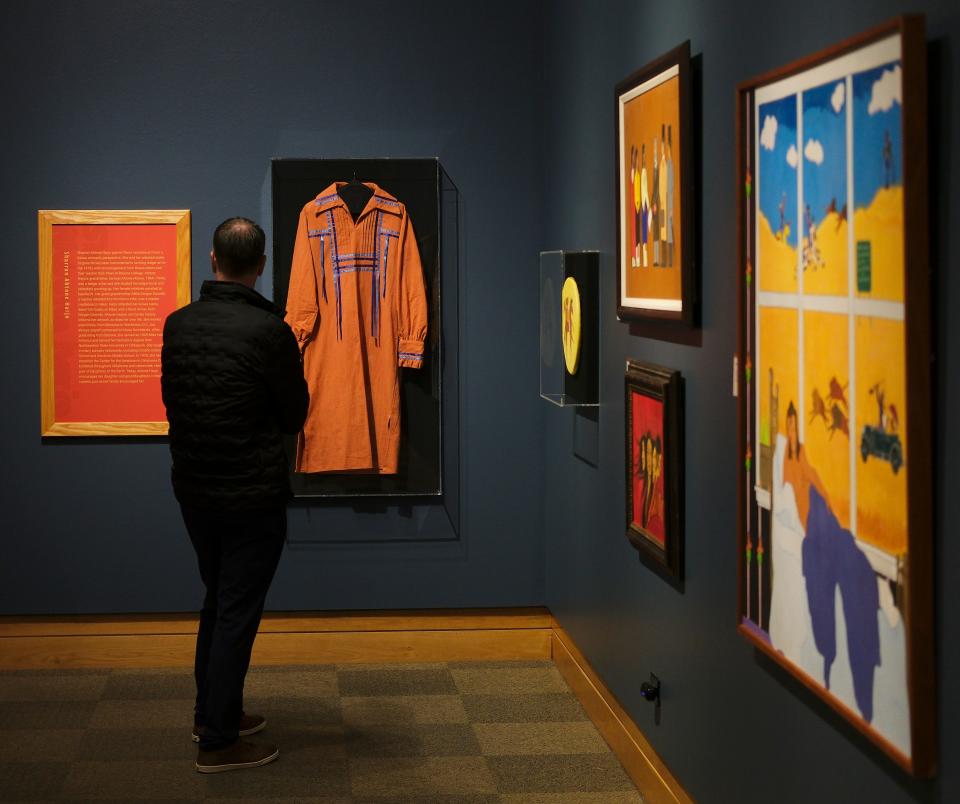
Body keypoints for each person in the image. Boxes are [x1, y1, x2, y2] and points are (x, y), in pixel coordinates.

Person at [161, 217, 309, 773]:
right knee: (236, 612)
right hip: (252, 495)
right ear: (262, 266)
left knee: (217, 599)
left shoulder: (178, 325)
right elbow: (295, 412)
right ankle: (220, 741)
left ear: (212, 258)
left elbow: (173, 403)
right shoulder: (269, 332)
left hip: (195, 491)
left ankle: (211, 712)